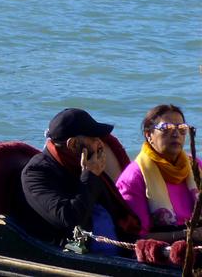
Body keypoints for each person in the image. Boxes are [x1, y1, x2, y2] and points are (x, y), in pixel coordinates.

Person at [20, 108, 141, 251]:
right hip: (70, 254)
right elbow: (69, 219)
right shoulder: (36, 173)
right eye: (94, 139)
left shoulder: (80, 165)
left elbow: (118, 215)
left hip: (114, 247)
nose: (100, 144)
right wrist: (90, 175)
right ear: (73, 144)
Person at [116, 104, 199, 237]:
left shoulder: (196, 165)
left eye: (182, 129)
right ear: (149, 135)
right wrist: (187, 235)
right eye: (166, 128)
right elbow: (136, 236)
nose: (176, 134)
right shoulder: (134, 177)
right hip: (165, 245)